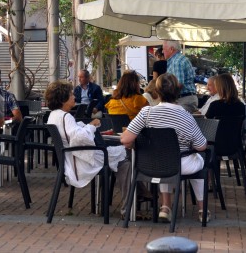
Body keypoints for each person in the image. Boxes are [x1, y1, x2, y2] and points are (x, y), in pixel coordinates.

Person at [120, 73, 209, 223]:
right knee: (198, 159)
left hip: (149, 164)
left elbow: (125, 139)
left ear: (157, 92)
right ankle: (202, 209)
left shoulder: (146, 113)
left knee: (164, 158)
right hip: (179, 164)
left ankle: (165, 207)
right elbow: (201, 146)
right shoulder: (186, 116)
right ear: (177, 92)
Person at [45, 81, 131, 216]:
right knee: (125, 161)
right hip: (80, 162)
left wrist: (88, 125)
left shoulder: (53, 115)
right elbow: (79, 138)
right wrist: (91, 126)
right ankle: (129, 207)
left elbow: (72, 135)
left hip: (70, 160)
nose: (74, 96)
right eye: (71, 94)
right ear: (63, 99)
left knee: (121, 159)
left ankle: (135, 199)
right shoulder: (66, 117)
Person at [163, 40, 198, 112]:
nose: (163, 51)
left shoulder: (177, 62)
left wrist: (164, 95)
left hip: (183, 100)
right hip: (186, 99)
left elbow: (178, 84)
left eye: (164, 49)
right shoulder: (179, 59)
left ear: (171, 49)